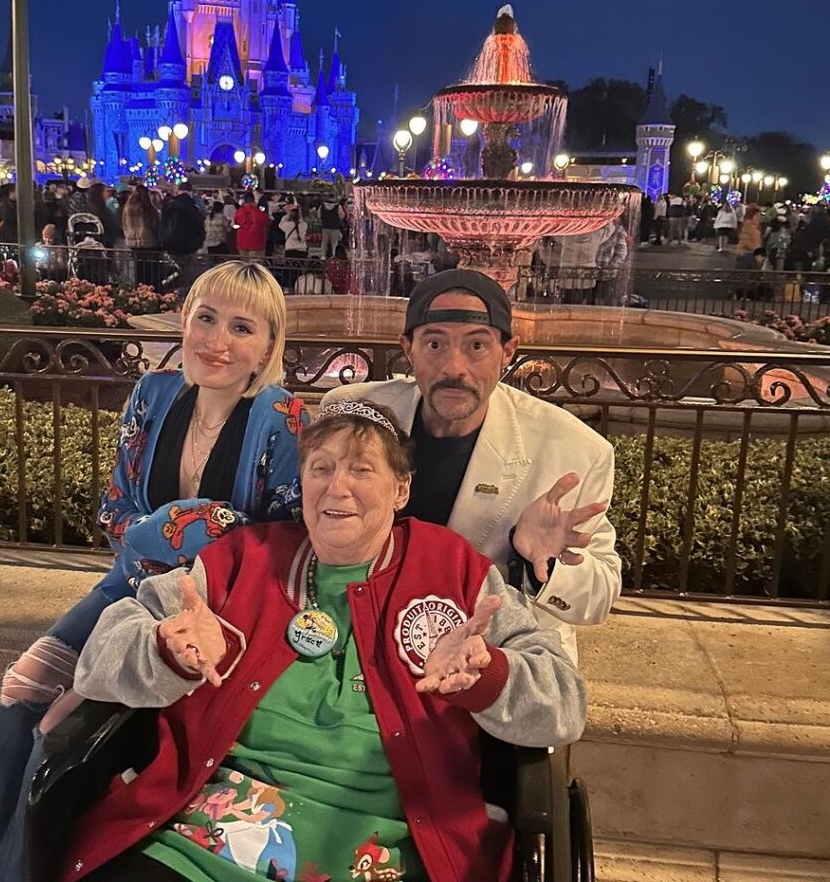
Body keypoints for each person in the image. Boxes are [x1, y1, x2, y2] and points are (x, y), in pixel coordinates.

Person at [59, 401, 586, 882]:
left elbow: (564, 703)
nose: (338, 488)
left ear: (401, 490)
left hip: (393, 847)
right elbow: (103, 655)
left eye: (362, 469)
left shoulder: (456, 572)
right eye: (321, 468)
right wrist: (163, 650)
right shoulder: (239, 562)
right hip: (207, 833)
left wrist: (488, 676)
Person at [0, 262, 309, 882]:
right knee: (14, 700)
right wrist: (195, 521)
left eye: (242, 328)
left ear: (268, 346)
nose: (217, 341)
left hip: (210, 612)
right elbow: (113, 513)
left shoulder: (282, 418)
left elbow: (277, 540)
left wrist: (176, 526)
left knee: (58, 738)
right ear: (184, 322)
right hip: (125, 588)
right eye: (205, 318)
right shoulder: (153, 395)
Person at [322, 269, 620, 660]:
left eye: (476, 346)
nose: (453, 368)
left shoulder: (573, 451)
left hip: (489, 656)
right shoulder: (352, 413)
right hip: (362, 640)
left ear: (508, 351)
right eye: (434, 344)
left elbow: (598, 598)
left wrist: (536, 563)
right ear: (407, 348)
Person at [123, 185, 164, 287]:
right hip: (149, 243)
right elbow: (155, 226)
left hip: (133, 244)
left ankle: (140, 293)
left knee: (139, 272)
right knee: (152, 273)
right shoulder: (149, 209)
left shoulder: (128, 208)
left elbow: (124, 224)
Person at [232, 192, 270, 260]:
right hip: (257, 242)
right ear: (253, 199)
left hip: (242, 241)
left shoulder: (239, 212)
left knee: (244, 265)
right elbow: (267, 222)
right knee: (255, 266)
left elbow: (235, 224)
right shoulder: (259, 212)